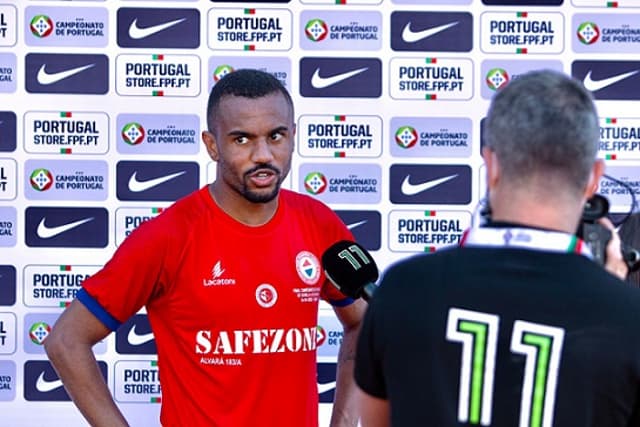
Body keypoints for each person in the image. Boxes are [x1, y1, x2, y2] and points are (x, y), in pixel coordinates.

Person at [45, 69, 366, 427]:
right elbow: (66, 341)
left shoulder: (318, 223)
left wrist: (344, 420)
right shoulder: (168, 237)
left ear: (293, 135)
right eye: (241, 139)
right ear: (212, 145)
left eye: (275, 136)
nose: (263, 155)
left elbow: (362, 323)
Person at [354, 69, 640, 426]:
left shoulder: (403, 288)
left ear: (491, 165)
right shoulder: (627, 318)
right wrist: (612, 293)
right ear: (594, 178)